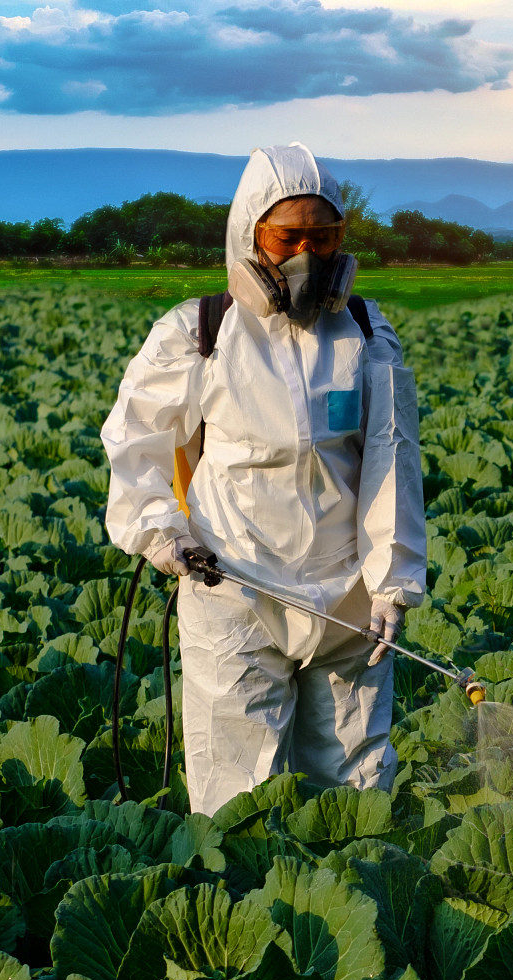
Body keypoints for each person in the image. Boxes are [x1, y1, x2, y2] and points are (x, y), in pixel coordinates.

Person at [100, 143, 425, 813]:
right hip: (235, 591)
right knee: (235, 796)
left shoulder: (365, 331)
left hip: (346, 604)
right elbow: (136, 443)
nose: (308, 253)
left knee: (354, 793)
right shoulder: (200, 333)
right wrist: (162, 533)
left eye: (325, 236)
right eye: (290, 236)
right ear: (252, 233)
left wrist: (392, 580)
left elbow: (391, 457)